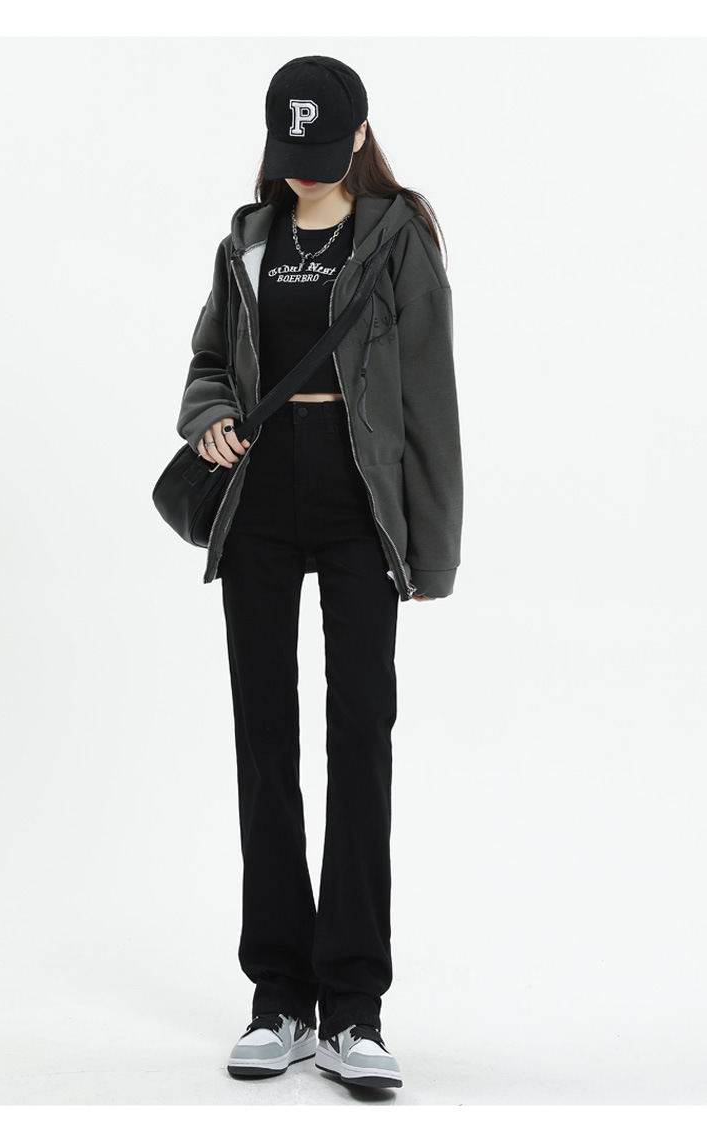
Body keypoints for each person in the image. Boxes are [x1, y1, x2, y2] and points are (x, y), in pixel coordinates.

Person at [176, 55, 464, 1091]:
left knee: (360, 744)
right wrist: (211, 415)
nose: (304, 167)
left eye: (323, 147)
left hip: (355, 506)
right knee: (265, 743)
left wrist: (430, 545)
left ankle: (352, 1008)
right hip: (258, 504)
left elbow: (429, 393)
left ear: (359, 135)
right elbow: (210, 362)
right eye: (288, 149)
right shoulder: (247, 240)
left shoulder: (398, 236)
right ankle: (279, 996)